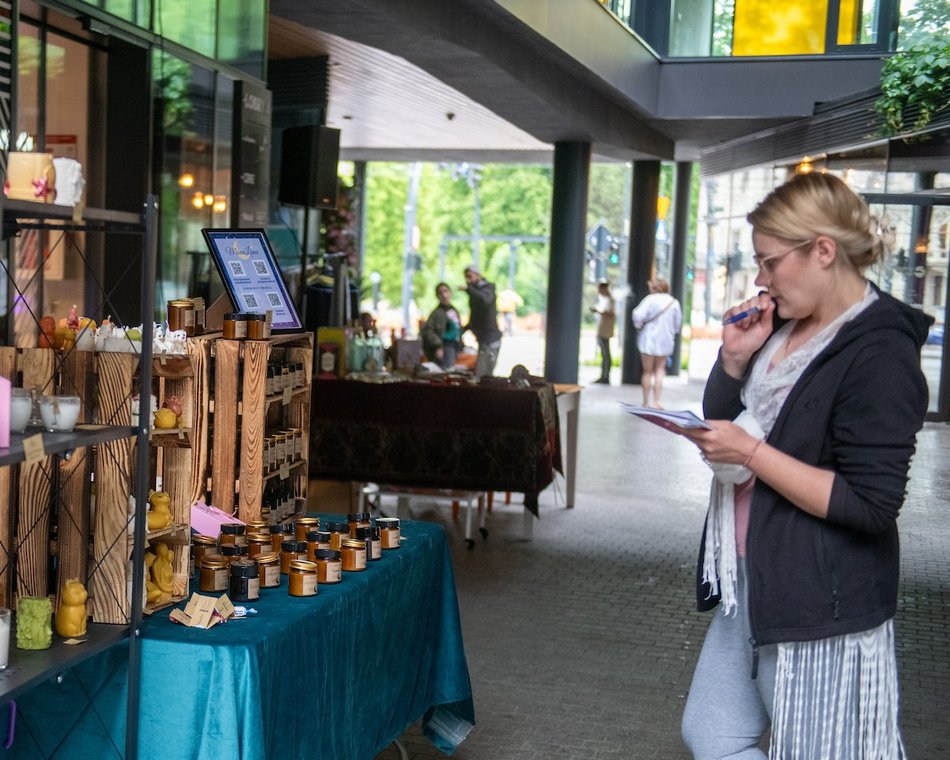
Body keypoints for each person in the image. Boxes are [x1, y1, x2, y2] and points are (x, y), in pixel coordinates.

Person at [679, 172, 930, 760]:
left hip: (823, 600)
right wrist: (734, 360)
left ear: (823, 250)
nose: (761, 280)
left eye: (769, 263)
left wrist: (751, 455)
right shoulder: (784, 326)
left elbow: (870, 505)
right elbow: (729, 416)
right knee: (711, 734)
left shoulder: (881, 350)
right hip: (753, 578)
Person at [632, 277, 682, 408]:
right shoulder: (674, 303)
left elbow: (637, 315)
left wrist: (639, 325)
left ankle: (645, 402)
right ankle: (656, 401)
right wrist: (672, 331)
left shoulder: (649, 300)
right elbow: (678, 324)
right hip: (665, 340)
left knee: (647, 371)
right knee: (660, 370)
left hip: (648, 340)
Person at [460, 264, 502, 377]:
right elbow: (476, 315)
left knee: (484, 375)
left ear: (478, 275)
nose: (468, 280)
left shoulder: (487, 289)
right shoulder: (477, 291)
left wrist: (469, 290)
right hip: (484, 339)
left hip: (490, 339)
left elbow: (485, 300)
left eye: (470, 276)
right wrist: (464, 329)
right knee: (481, 373)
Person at [422, 282, 463, 370]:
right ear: (437, 296)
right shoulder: (436, 313)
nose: (444, 295)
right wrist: (438, 346)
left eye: (445, 291)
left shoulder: (454, 310)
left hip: (453, 347)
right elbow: (428, 331)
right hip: (445, 347)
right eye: (440, 293)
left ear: (450, 293)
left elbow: (458, 329)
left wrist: (459, 347)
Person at [589, 279, 616, 384]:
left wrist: (598, 311)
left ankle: (605, 376)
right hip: (603, 330)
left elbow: (610, 314)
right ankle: (603, 375)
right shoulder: (605, 299)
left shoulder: (611, 300)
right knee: (604, 354)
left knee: (606, 354)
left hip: (606, 330)